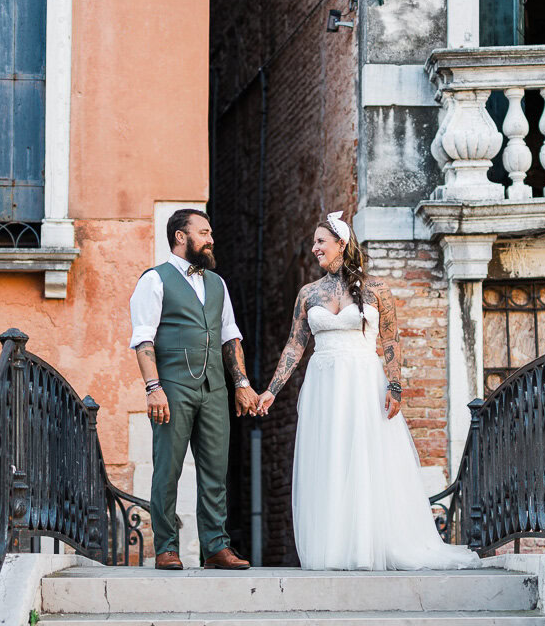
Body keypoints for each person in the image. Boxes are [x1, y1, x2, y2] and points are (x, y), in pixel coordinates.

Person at [256, 213, 481, 571]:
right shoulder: (308, 293)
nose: (314, 248)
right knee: (330, 459)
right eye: (314, 242)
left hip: (362, 379)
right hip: (323, 383)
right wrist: (271, 391)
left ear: (341, 244)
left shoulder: (377, 290)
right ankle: (336, 548)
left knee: (363, 456)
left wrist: (395, 385)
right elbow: (294, 346)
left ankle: (367, 546)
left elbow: (390, 340)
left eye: (320, 242)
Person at [130, 209, 258, 569]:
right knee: (167, 468)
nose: (211, 239)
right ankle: (166, 547)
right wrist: (153, 388)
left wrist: (242, 384)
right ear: (180, 237)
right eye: (203, 232)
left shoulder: (218, 283)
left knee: (216, 469)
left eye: (210, 232)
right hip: (172, 387)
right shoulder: (154, 280)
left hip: (215, 387)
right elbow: (143, 339)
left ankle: (216, 547)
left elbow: (230, 335)